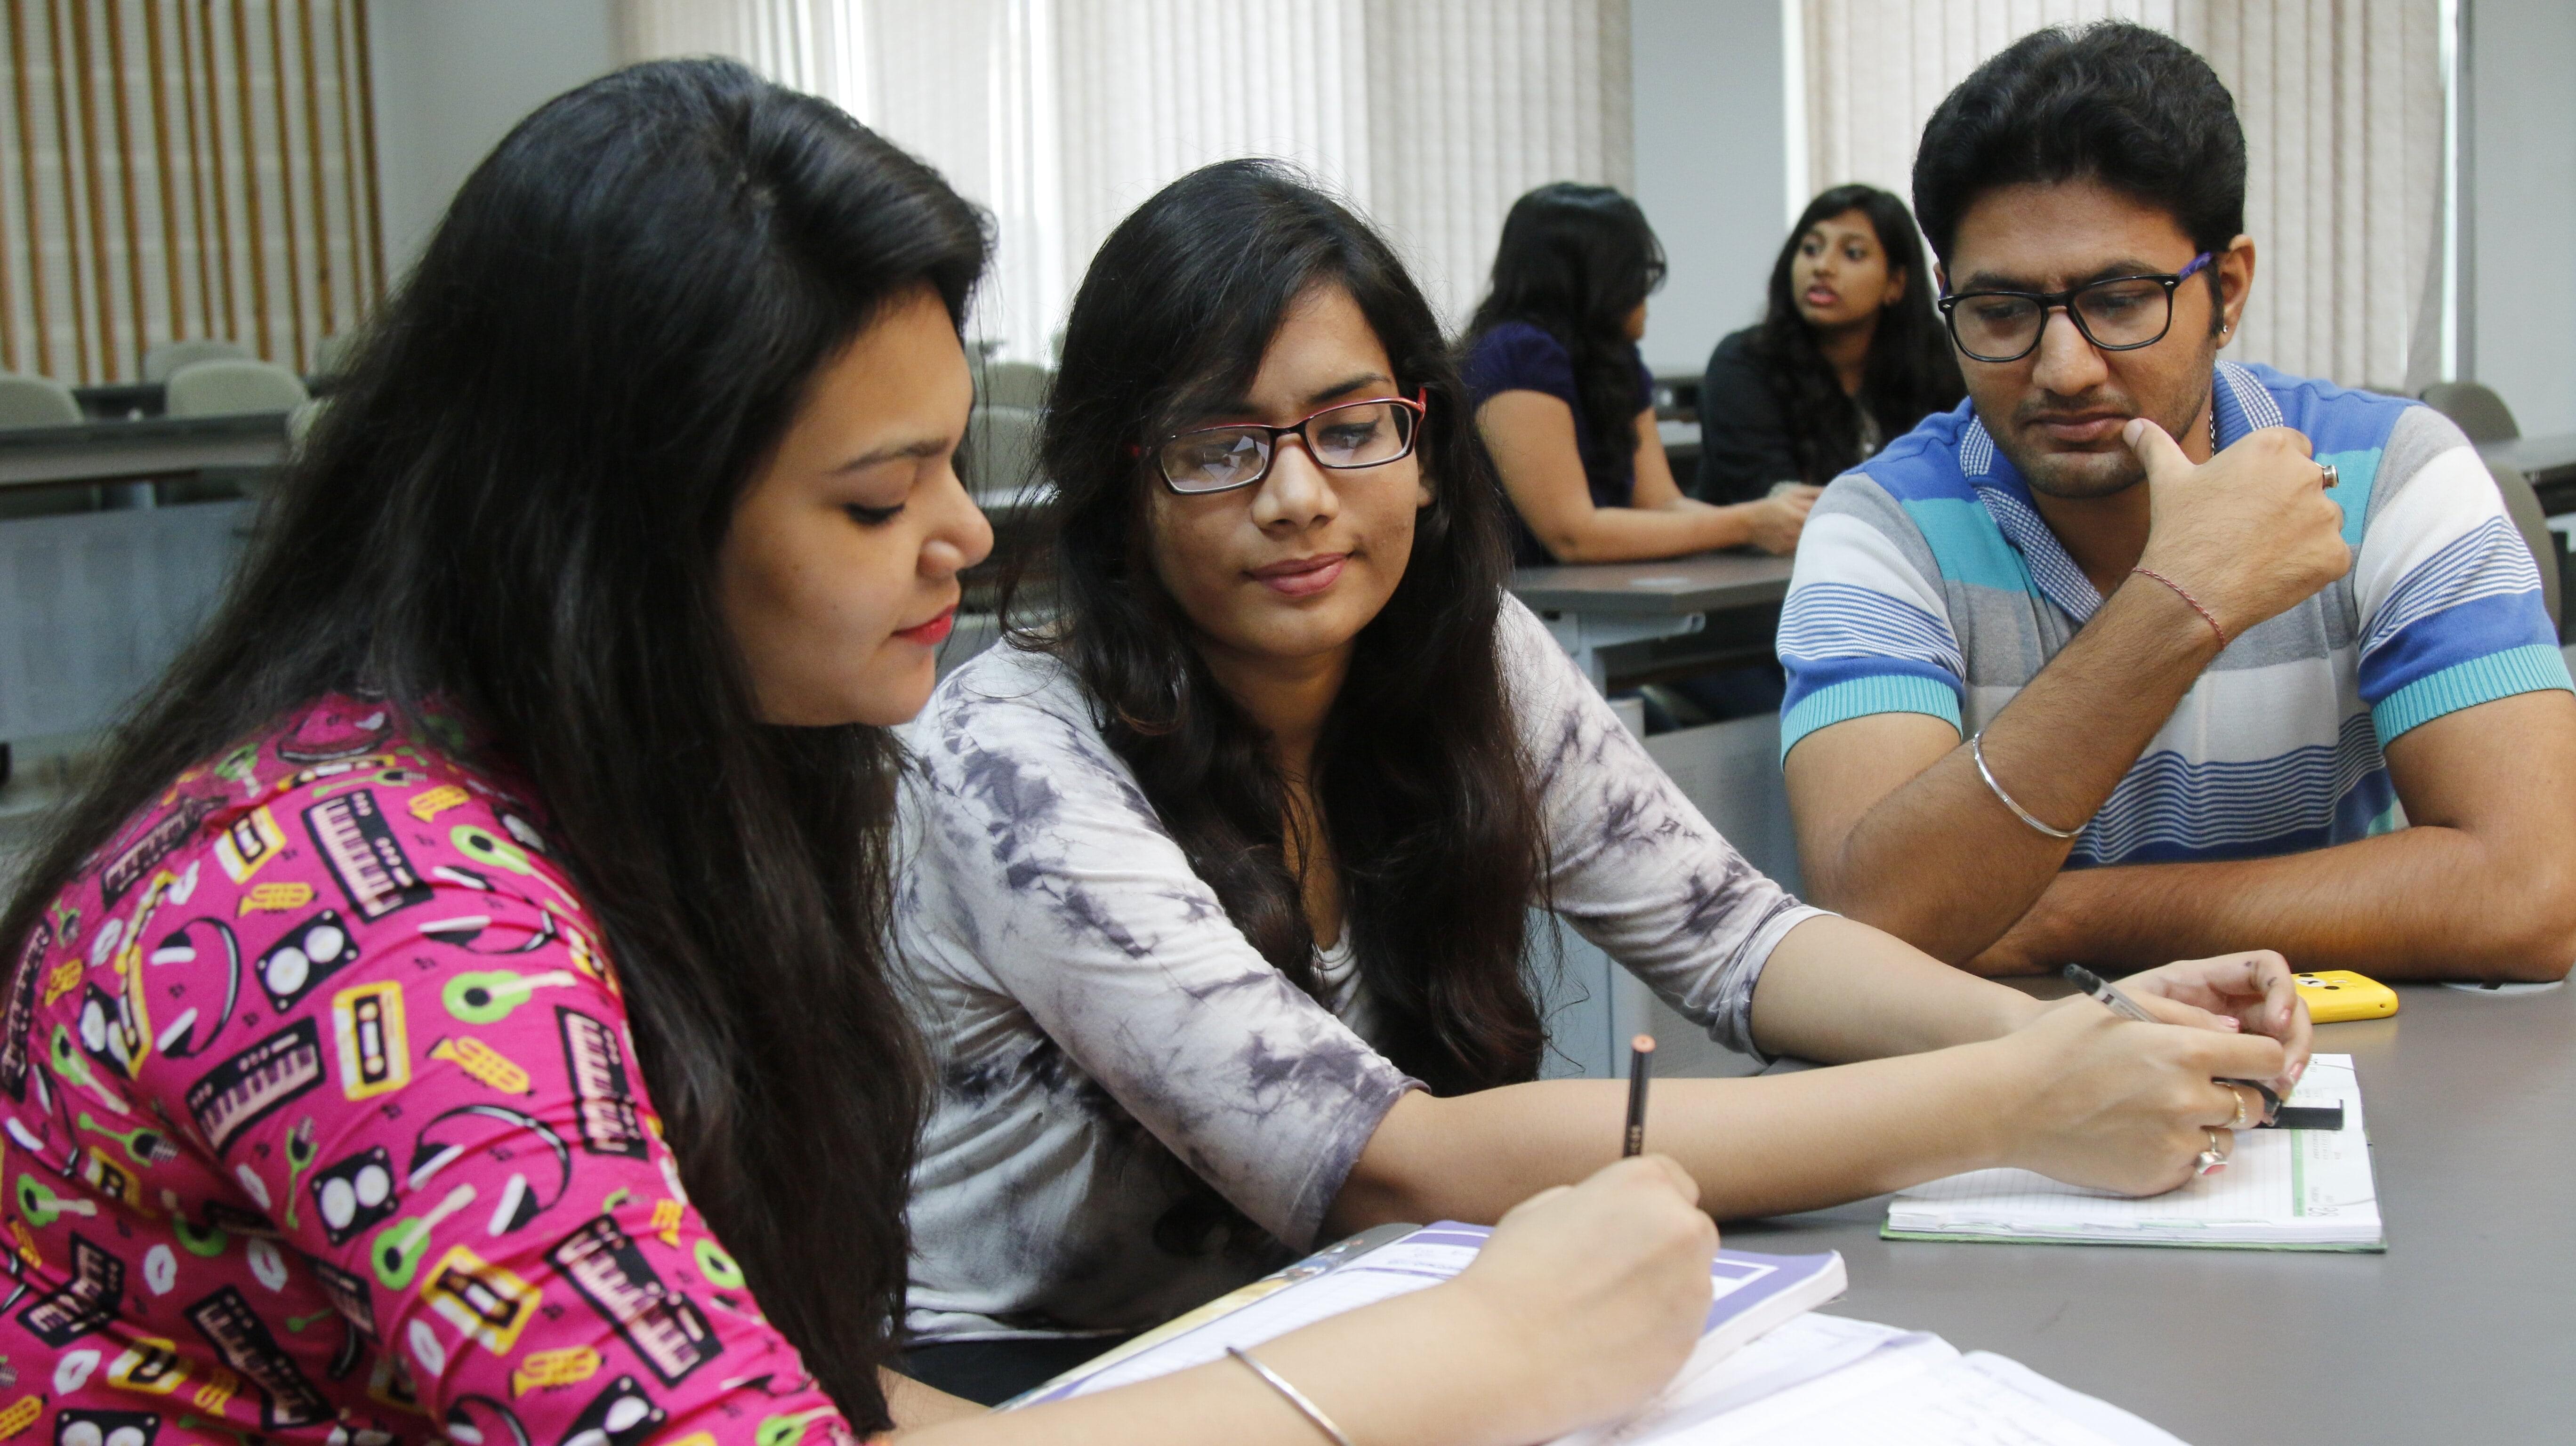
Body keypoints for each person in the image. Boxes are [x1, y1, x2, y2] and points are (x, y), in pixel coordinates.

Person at [0, 61, 1738, 1446]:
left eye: (944, 466)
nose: (967, 539)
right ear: (626, 531)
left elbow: (780, 1360)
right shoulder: (368, 907)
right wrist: (1491, 1351)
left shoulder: (656, 785)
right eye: (874, 496)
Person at [894, 158, 2310, 1402]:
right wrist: (2016, 1103)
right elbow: (1383, 1157)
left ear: (1428, 447)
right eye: (1219, 447)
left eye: (1350, 425)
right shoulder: (1015, 753)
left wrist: (2082, 1035)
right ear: (1122, 489)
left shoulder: (1462, 656)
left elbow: (1737, 939)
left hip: (1366, 1312)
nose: (1299, 496)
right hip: (1059, 1377)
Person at [1777, 22, 2576, 981]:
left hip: (2353, 1075)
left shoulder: (2391, 470)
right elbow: (1879, 921)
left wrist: (2064, 918)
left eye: (2120, 300)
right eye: (2002, 312)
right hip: (2009, 1086)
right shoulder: (1881, 528)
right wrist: (2181, 597)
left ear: (2226, 290)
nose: (2064, 370)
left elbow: (2532, 891)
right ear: (1948, 299)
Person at [1461, 183, 1816, 564]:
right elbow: (1572, 535)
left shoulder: (1615, 360)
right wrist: (1748, 523)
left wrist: (1786, 520)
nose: (1646, 293)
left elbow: (1661, 504)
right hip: (1519, 604)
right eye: (1636, 274)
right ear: (1601, 280)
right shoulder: (1517, 352)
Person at [1696, 184, 1964, 504]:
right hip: (1760, 553)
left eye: (1853, 253)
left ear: (1895, 284)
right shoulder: (1744, 362)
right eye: (1811, 249)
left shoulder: (1939, 364)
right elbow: (1776, 502)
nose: (1822, 267)